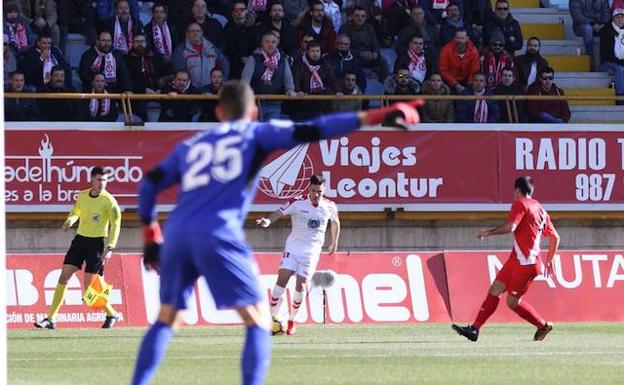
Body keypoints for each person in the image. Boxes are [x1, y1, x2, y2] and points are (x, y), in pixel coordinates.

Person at [129, 80, 422, 385]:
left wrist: (151, 238)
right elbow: (316, 128)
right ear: (254, 111)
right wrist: (377, 116)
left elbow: (150, 183)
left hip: (175, 233)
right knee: (258, 321)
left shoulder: (191, 145)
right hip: (217, 231)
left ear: (218, 112)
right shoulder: (257, 133)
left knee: (167, 319)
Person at [452, 176, 560, 342]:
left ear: (517, 191)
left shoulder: (520, 204)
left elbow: (512, 227)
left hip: (526, 264)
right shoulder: (541, 210)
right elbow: (555, 237)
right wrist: (550, 258)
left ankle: (543, 326)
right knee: (495, 289)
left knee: (512, 302)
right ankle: (474, 330)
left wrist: (488, 233)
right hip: (517, 259)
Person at [34, 166, 122, 330]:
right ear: (92, 180)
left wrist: (110, 247)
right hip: (80, 241)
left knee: (90, 287)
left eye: (104, 180)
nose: (102, 183)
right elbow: (76, 211)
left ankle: (111, 313)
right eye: (99, 179)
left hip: (97, 244)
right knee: (63, 277)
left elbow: (116, 225)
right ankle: (51, 319)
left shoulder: (110, 202)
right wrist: (70, 220)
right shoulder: (82, 196)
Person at [257, 175, 339, 335]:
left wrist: (334, 242)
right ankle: (272, 319)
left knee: (300, 287)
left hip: (311, 253)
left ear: (325, 190)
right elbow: (279, 212)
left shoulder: (329, 206)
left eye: (320, 192)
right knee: (282, 280)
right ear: (309, 188)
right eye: (314, 191)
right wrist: (268, 221)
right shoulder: (297, 202)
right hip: (293, 249)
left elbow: (335, 222)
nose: (317, 195)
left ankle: (292, 320)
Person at [439, 28, 480, 94]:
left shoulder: (473, 51)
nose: (459, 40)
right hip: (450, 80)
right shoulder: (446, 50)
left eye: (462, 38)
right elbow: (443, 71)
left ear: (467, 39)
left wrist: (469, 84)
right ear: (454, 38)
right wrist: (456, 85)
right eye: (457, 38)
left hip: (467, 80)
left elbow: (474, 70)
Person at [599, 8, 624, 103]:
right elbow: (606, 54)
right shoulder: (606, 31)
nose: (620, 19)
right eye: (617, 17)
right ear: (613, 19)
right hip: (608, 62)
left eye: (622, 17)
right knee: (620, 69)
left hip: (621, 62)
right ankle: (620, 98)